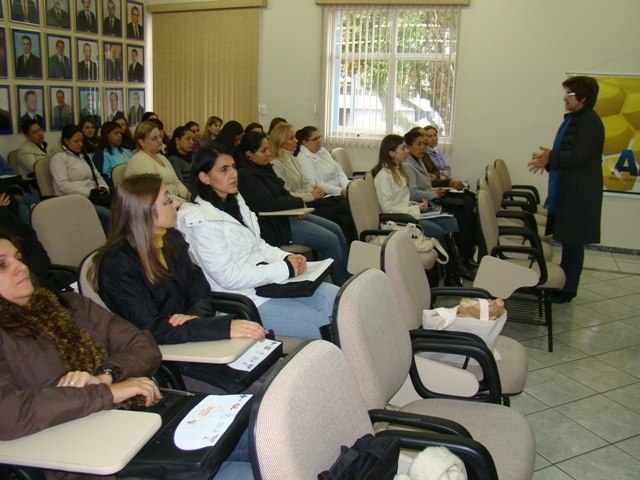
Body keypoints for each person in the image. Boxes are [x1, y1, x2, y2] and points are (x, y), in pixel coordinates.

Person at [91, 174, 266, 389]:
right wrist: (220, 328)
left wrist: (195, 316)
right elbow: (149, 329)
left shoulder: (171, 238)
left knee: (273, 372)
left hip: (191, 338)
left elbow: (199, 286)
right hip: (166, 359)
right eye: (167, 200)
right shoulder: (118, 264)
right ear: (145, 213)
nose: (176, 203)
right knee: (262, 391)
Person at [0, 233, 162, 448]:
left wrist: (107, 375)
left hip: (132, 418)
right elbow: (9, 414)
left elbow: (143, 344)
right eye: (2, 264)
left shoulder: (71, 304)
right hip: (78, 452)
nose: (21, 266)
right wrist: (105, 394)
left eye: (18, 257)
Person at [178, 147, 339, 340]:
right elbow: (228, 277)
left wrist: (286, 257)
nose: (233, 174)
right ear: (204, 177)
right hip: (244, 298)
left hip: (267, 281)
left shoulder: (235, 199)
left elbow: (258, 245)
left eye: (234, 167)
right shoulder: (199, 220)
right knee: (330, 325)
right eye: (224, 170)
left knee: (337, 298)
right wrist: (285, 268)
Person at [237, 131, 349, 286]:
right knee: (330, 240)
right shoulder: (247, 176)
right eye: (263, 151)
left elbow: (282, 192)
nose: (269, 153)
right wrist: (296, 203)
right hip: (274, 223)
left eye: (268, 148)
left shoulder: (264, 167)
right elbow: (268, 204)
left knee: (336, 228)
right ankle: (340, 285)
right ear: (249, 153)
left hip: (288, 214)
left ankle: (345, 272)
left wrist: (297, 205)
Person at [528, 76, 604, 303]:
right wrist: (550, 159)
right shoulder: (576, 119)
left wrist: (552, 156)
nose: (565, 98)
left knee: (573, 240)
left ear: (583, 97)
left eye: (569, 94)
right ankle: (562, 283)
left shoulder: (589, 121)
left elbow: (580, 156)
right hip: (571, 188)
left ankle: (568, 289)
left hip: (580, 192)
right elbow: (569, 154)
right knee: (569, 240)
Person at [372, 134, 465, 286]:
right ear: (391, 153)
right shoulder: (383, 177)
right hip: (399, 221)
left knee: (446, 222)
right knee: (436, 231)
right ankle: (442, 275)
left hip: (408, 214)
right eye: (403, 148)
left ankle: (451, 272)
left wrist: (416, 205)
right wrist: (415, 209)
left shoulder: (397, 171)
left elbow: (401, 200)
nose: (407, 151)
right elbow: (388, 209)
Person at [404, 130, 477, 274]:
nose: (423, 147)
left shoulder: (419, 160)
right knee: (462, 217)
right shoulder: (408, 165)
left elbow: (431, 178)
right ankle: (456, 265)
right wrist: (433, 193)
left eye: (424, 144)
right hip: (421, 206)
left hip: (430, 201)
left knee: (467, 209)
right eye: (419, 144)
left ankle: (460, 262)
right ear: (409, 147)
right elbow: (413, 193)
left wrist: (436, 187)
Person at [270, 123, 356, 242]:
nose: (296, 140)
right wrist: (311, 195)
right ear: (280, 142)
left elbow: (306, 182)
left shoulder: (292, 159)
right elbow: (287, 194)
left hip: (313, 199)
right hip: (302, 207)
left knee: (344, 218)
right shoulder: (276, 164)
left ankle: (354, 252)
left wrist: (313, 191)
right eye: (291, 138)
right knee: (347, 203)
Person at [49, 124, 112, 234]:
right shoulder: (59, 158)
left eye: (82, 141)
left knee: (120, 208)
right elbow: (62, 185)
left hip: (94, 195)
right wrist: (88, 192)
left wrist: (103, 187)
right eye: (76, 141)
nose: (80, 144)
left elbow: (97, 175)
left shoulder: (84, 156)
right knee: (109, 215)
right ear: (66, 141)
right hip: (74, 199)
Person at [125, 121, 189, 200]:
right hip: (155, 205)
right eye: (154, 138)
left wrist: (188, 196)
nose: (159, 140)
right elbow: (157, 193)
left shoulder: (162, 158)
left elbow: (176, 182)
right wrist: (183, 203)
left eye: (159, 136)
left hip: (171, 200)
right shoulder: (140, 161)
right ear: (141, 142)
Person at [295, 126, 350, 197]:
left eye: (319, 137)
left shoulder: (322, 151)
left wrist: (347, 187)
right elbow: (316, 184)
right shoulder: (303, 159)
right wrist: (340, 191)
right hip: (328, 194)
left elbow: (339, 171)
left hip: (341, 190)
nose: (319, 141)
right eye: (315, 139)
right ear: (304, 142)